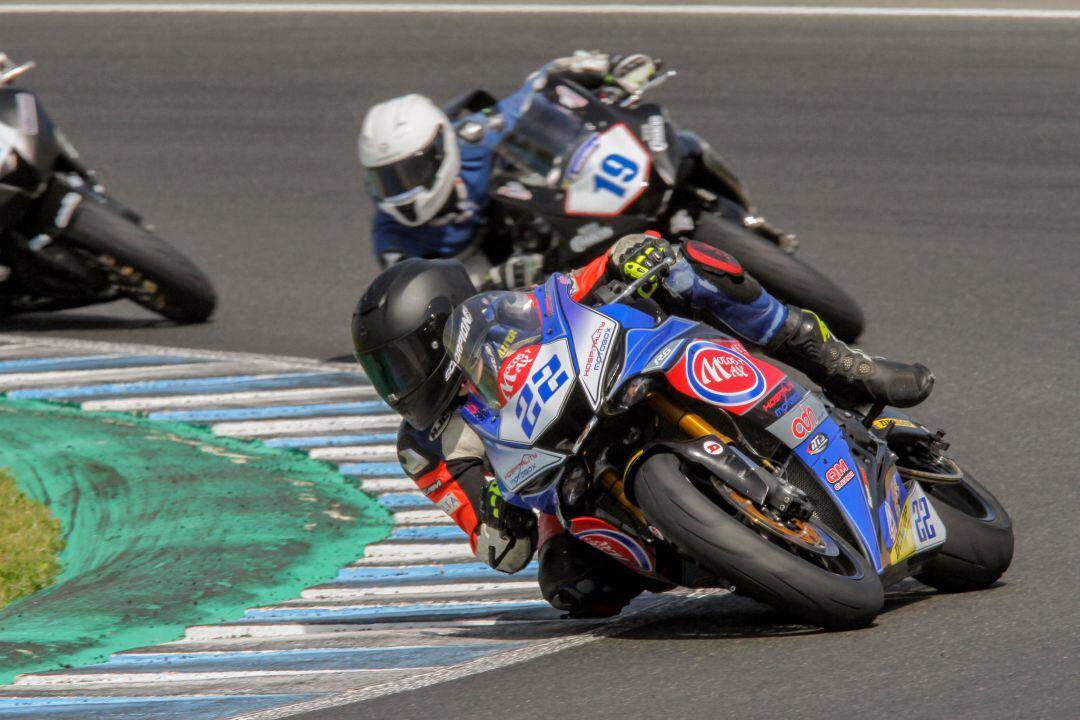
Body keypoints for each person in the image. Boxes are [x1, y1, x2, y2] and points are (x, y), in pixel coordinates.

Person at [352, 232, 933, 617]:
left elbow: (589, 274)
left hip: (617, 379)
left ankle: (837, 362)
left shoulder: (513, 313)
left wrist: (632, 253)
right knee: (572, 585)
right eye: (385, 372)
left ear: (444, 326)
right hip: (563, 478)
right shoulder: (425, 447)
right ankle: (720, 550)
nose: (399, 383)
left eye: (404, 361)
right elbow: (500, 548)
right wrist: (500, 519)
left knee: (694, 266)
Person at [358, 51, 662, 287]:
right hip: (472, 272)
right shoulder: (391, 237)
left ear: (440, 149)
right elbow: (422, 295)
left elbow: (537, 86)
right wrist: (492, 281)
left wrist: (608, 65)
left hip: (515, 220)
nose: (403, 190)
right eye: (388, 179)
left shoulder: (474, 136)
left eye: (411, 172)